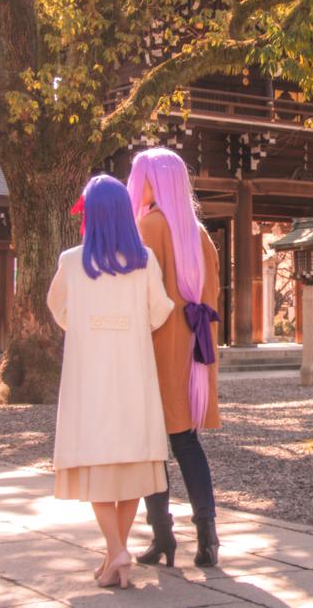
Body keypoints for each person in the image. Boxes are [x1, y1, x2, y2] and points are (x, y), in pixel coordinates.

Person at [47, 175, 175, 588]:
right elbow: (160, 312)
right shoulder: (145, 260)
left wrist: (88, 325)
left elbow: (59, 310)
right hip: (134, 372)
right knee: (134, 464)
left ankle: (115, 553)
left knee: (97, 462)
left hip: (90, 374)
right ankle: (115, 554)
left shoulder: (72, 260)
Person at [127, 148, 223, 568]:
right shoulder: (198, 233)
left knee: (151, 445)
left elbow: (137, 295)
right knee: (187, 441)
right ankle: (208, 536)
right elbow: (211, 296)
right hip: (193, 346)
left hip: (155, 346)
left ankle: (162, 536)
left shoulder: (148, 226)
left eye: (140, 176)